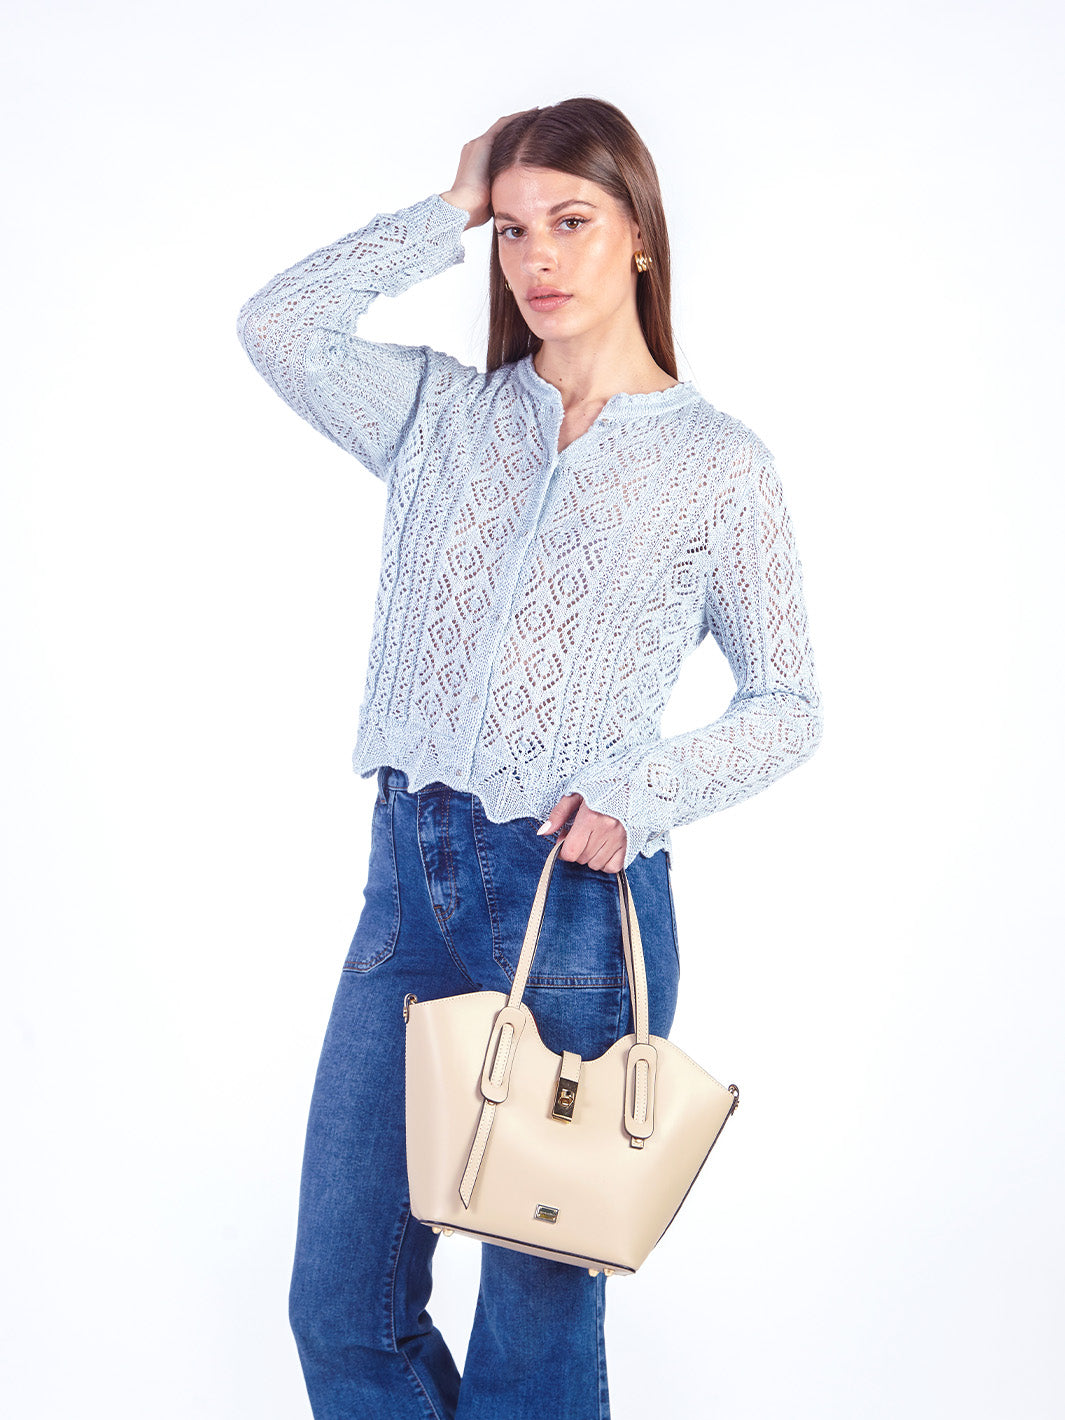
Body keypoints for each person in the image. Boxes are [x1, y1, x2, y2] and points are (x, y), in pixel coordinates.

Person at [236, 98, 822, 1420]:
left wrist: (640, 790)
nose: (537, 257)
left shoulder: (717, 468)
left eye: (571, 220)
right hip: (408, 888)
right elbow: (278, 327)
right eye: (511, 231)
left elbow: (788, 702)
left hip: (570, 905)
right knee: (342, 1306)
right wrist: (448, 204)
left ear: (640, 235)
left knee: (532, 1342)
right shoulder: (439, 415)